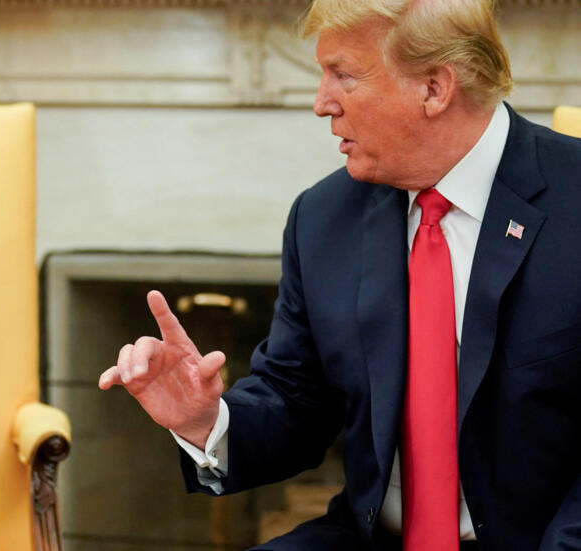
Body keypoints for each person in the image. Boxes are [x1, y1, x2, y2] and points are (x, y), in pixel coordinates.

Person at [99, 0, 581, 550]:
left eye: (343, 76)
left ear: (434, 88)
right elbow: (296, 401)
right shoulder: (324, 217)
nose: (321, 104)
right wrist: (206, 422)